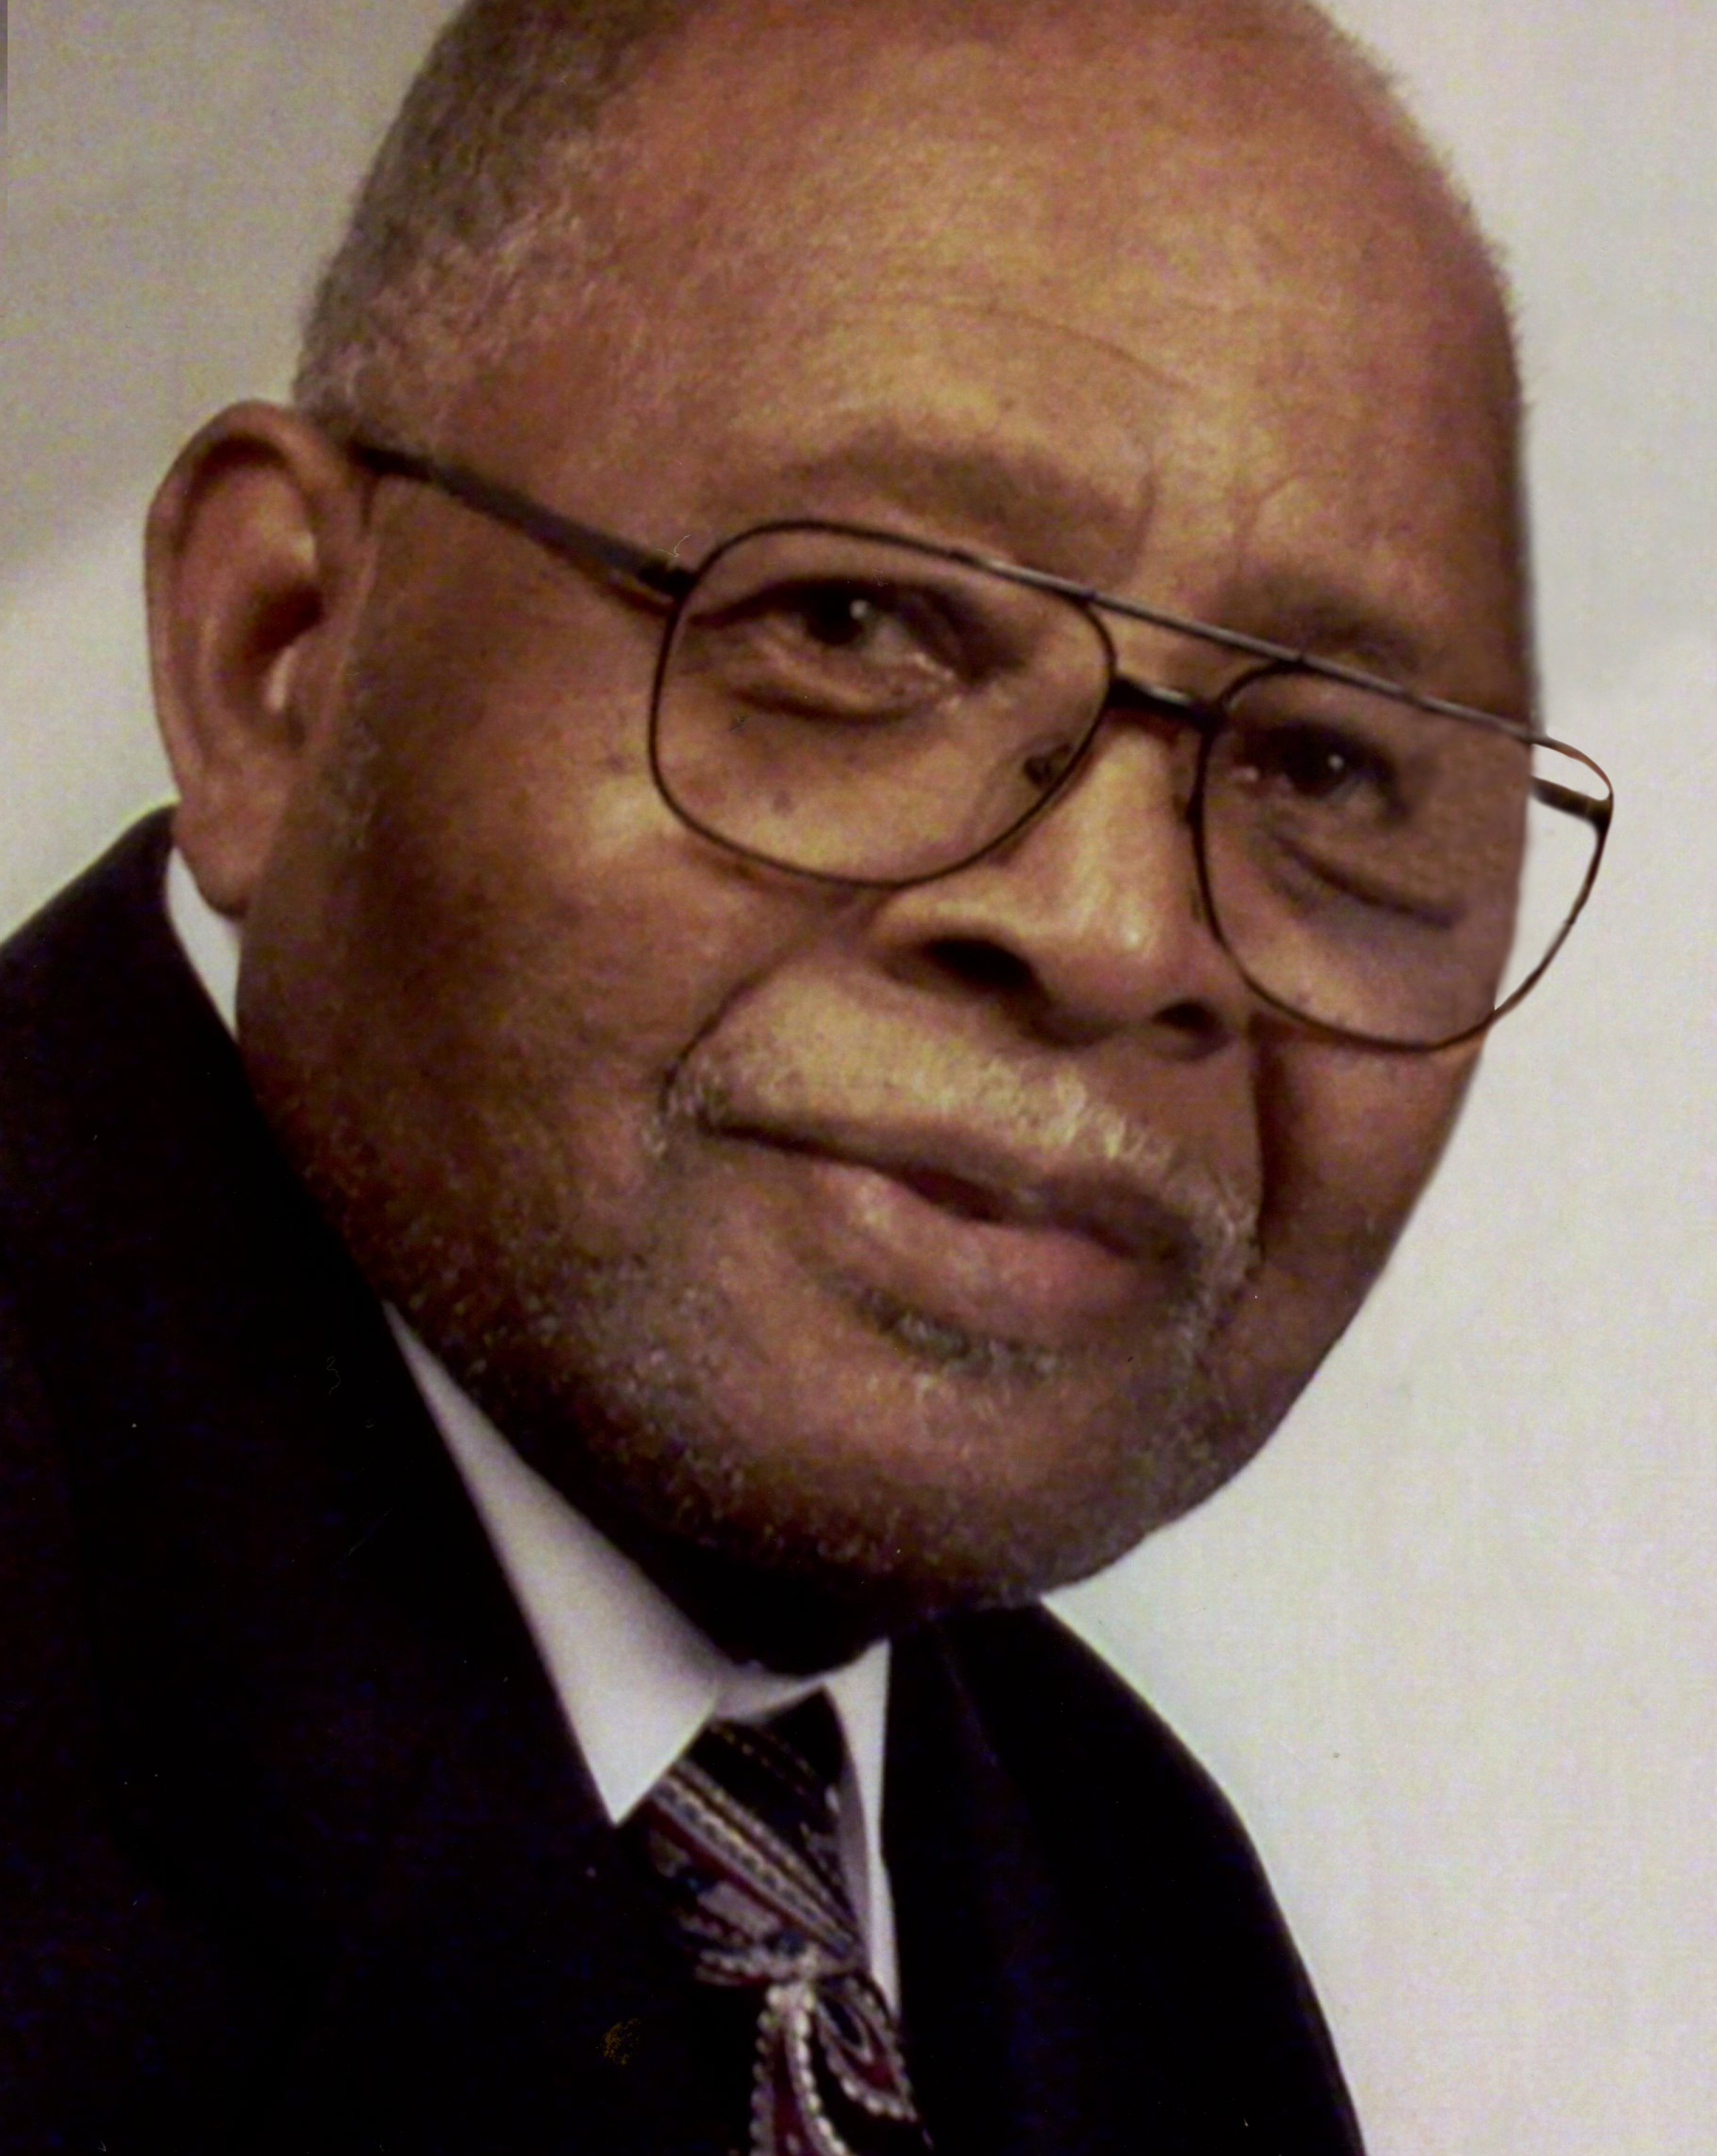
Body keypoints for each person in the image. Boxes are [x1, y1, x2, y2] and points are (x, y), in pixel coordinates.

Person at [0, 0, 1614, 2149]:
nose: (1119, 932)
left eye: (1326, 764)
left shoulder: (1132, 1917)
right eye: (854, 625)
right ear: (278, 657)